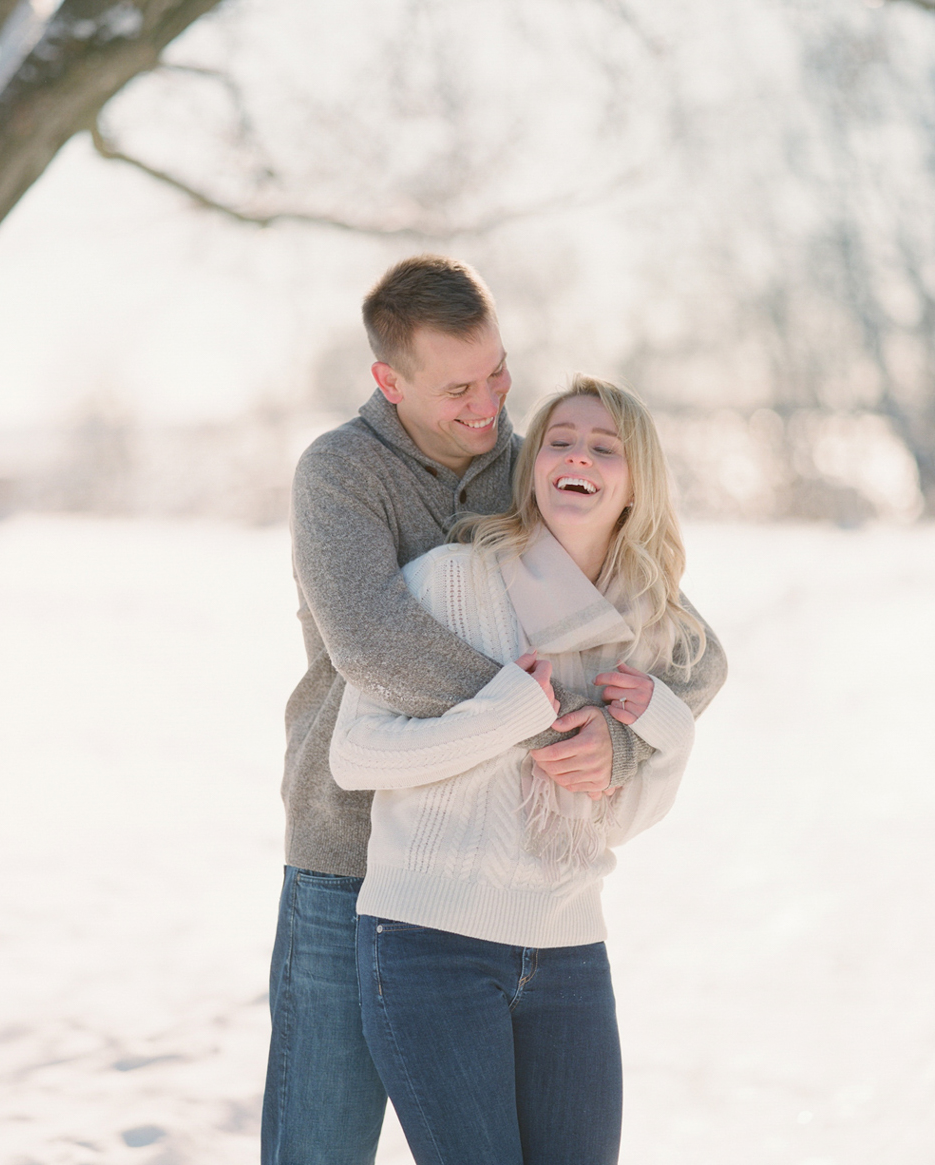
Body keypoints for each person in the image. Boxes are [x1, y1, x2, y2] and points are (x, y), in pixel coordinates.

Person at [262, 255, 727, 1165]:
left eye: (500, 372)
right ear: (388, 381)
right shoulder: (342, 475)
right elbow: (378, 648)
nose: (490, 405)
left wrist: (617, 749)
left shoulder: (531, 466)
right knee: (322, 1143)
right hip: (346, 852)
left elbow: (691, 655)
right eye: (459, 388)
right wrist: (544, 715)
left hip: (502, 878)